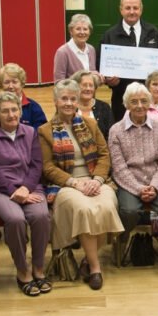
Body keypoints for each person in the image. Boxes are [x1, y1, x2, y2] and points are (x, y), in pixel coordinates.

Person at [39, 79, 124, 290]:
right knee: (85, 209)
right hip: (66, 185)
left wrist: (97, 180)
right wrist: (75, 183)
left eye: (72, 98)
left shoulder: (90, 124)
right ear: (55, 101)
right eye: (64, 98)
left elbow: (105, 155)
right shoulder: (45, 131)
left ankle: (87, 259)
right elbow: (48, 168)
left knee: (106, 205)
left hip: (95, 180)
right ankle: (95, 267)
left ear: (78, 101)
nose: (68, 102)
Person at [0, 91, 51, 297]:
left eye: (14, 109)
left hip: (28, 185)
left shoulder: (30, 132)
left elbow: (36, 165)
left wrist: (26, 189)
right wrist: (14, 191)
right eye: (5, 111)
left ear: (20, 111)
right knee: (15, 218)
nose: (11, 115)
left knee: (40, 215)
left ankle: (38, 266)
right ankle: (22, 270)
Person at [108, 83, 158, 256]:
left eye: (144, 101)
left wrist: (155, 186)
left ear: (149, 103)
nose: (140, 106)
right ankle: (121, 240)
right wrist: (139, 189)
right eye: (134, 102)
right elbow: (118, 167)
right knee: (128, 211)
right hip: (129, 181)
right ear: (127, 105)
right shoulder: (116, 131)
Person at [98, 0, 158, 122]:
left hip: (150, 98)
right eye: (128, 8)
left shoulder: (153, 32)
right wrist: (108, 80)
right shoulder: (109, 35)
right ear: (121, 10)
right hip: (121, 98)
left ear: (141, 10)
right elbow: (100, 65)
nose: (132, 12)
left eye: (135, 8)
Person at [0, 63, 48, 130]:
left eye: (14, 82)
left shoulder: (33, 108)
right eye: (6, 82)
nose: (11, 86)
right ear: (1, 85)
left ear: (22, 83)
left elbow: (40, 133)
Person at [73, 70, 115, 141]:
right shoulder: (69, 107)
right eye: (84, 85)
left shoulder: (104, 107)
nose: (88, 88)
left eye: (91, 85)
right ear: (76, 87)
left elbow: (111, 135)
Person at [53, 13, 97, 81]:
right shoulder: (62, 52)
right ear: (71, 31)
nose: (82, 32)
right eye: (78, 29)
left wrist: (98, 77)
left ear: (89, 32)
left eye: (85, 29)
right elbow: (59, 82)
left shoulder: (91, 49)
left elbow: (92, 77)